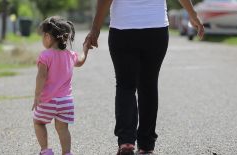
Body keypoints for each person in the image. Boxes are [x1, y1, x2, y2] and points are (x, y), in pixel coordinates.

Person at [84, 0, 204, 155]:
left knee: (125, 85)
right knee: (148, 85)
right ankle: (146, 145)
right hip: (155, 28)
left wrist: (95, 28)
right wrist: (193, 15)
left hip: (123, 28)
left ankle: (126, 141)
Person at [32, 16, 88, 155]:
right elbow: (80, 61)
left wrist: (37, 95)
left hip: (47, 101)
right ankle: (67, 152)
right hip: (66, 102)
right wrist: (85, 49)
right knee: (63, 129)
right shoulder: (70, 54)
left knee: (39, 122)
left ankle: (45, 150)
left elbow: (41, 76)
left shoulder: (45, 56)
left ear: (47, 36)